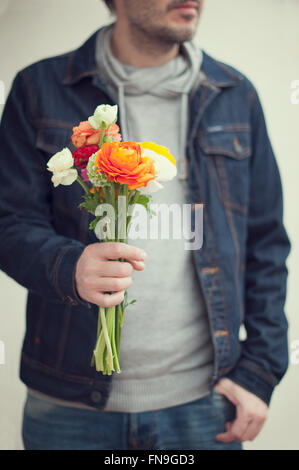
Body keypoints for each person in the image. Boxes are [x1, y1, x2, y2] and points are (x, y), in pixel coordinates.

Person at [0, 0, 290, 451]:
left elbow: (267, 243)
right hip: (67, 408)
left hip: (204, 406)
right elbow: (8, 222)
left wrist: (260, 372)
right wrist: (68, 266)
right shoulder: (38, 89)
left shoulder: (235, 94)